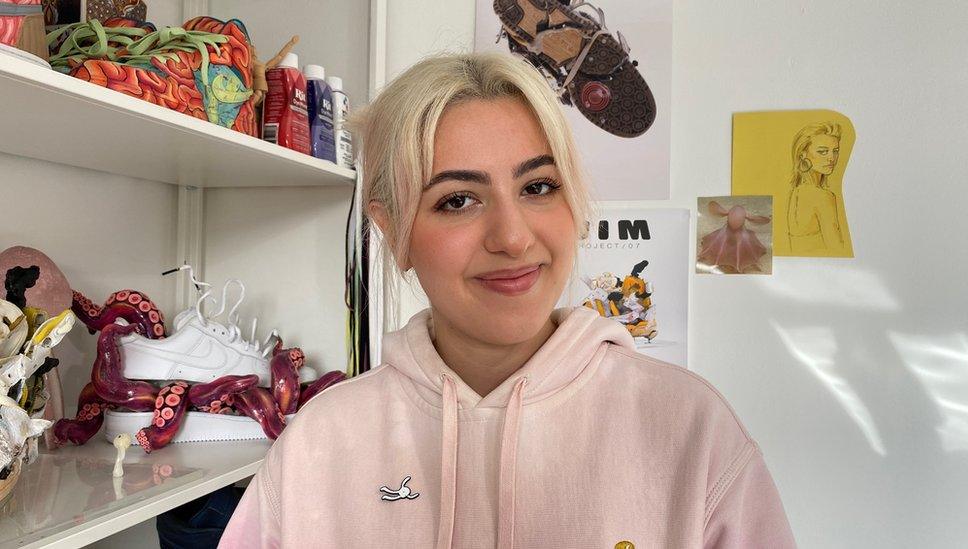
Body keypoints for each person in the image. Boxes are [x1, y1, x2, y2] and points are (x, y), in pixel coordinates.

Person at [218, 51, 795, 548]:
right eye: (458, 200)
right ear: (394, 233)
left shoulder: (689, 428)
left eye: (538, 187)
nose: (514, 238)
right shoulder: (320, 443)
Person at [786, 122, 845, 253]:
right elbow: (838, 251)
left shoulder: (795, 192)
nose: (832, 158)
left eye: (835, 151)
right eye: (823, 151)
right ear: (802, 154)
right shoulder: (823, 197)